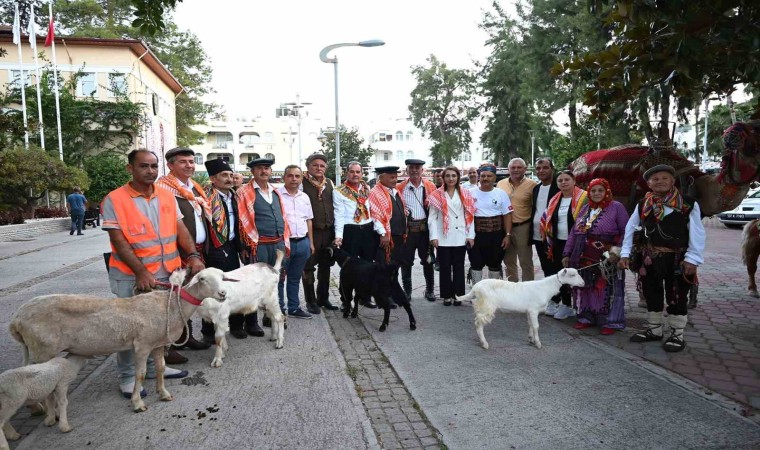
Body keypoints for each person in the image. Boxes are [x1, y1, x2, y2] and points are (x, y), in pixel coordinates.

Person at [101, 149, 195, 398]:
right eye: (144, 166)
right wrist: (141, 272)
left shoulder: (167, 196)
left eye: (154, 166)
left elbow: (180, 228)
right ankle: (129, 376)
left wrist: (194, 255)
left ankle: (154, 367)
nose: (150, 171)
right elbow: (119, 240)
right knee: (129, 329)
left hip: (166, 274)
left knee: (160, 326)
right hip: (132, 277)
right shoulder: (114, 199)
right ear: (130, 168)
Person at [619, 165, 705, 352]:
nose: (659, 181)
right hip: (649, 258)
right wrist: (625, 254)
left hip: (678, 259)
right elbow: (630, 228)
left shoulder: (688, 204)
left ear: (672, 181)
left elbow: (697, 233)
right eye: (655, 179)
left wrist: (693, 258)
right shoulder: (644, 203)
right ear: (649, 184)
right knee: (651, 292)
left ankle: (677, 334)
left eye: (664, 178)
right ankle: (654, 329)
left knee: (677, 294)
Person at [155, 147, 212, 361]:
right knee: (174, 298)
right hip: (176, 252)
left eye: (191, 161)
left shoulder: (194, 188)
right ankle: (168, 346)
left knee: (188, 296)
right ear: (170, 165)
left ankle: (186, 337)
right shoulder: (163, 188)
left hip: (196, 251)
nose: (189, 165)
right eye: (183, 162)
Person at [562, 178, 629, 334]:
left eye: (600, 190)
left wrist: (618, 251)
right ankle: (586, 318)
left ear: (607, 192)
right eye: (593, 191)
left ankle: (609, 322)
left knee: (605, 287)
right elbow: (574, 232)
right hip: (583, 255)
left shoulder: (616, 207)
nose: (597, 193)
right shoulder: (585, 209)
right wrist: (567, 252)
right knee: (584, 287)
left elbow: (626, 231)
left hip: (607, 256)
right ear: (589, 193)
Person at [237, 157, 291, 329]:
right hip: (257, 245)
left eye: (267, 168)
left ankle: (273, 315)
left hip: (277, 244)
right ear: (252, 172)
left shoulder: (275, 192)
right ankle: (251, 323)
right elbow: (240, 222)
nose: (264, 171)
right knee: (255, 283)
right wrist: (243, 247)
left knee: (277, 280)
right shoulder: (244, 192)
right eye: (259, 168)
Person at [199, 159, 246, 341]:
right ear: (213, 178)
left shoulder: (235, 196)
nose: (229, 179)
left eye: (230, 175)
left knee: (233, 287)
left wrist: (241, 248)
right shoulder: (206, 199)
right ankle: (208, 331)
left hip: (232, 247)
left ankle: (236, 325)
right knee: (212, 290)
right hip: (214, 249)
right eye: (224, 176)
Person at [540, 170, 587, 320]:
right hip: (558, 242)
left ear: (574, 181)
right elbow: (547, 218)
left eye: (567, 179)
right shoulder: (555, 199)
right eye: (560, 180)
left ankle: (579, 306)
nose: (563, 182)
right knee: (561, 273)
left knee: (576, 273)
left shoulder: (584, 197)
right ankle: (564, 304)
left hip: (577, 243)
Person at [428, 166, 476, 305]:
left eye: (453, 176)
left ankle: (458, 295)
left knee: (459, 267)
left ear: (458, 177)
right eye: (448, 176)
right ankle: (446, 295)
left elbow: (470, 215)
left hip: (460, 235)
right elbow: (432, 218)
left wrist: (471, 235)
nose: (451, 178)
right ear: (443, 178)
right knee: (444, 267)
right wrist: (433, 236)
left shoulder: (465, 193)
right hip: (443, 236)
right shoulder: (436, 195)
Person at [334, 161, 376, 308]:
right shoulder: (339, 191)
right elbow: (338, 215)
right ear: (347, 173)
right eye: (352, 171)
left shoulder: (366, 188)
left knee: (367, 265)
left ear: (362, 173)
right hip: (350, 230)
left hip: (367, 229)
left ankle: (365, 297)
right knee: (348, 267)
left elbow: (371, 210)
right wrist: (338, 236)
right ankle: (346, 300)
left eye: (358, 172)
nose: (355, 174)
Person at [301, 153, 339, 314]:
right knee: (308, 267)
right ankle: (310, 301)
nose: (318, 168)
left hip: (328, 232)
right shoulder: (301, 183)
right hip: (311, 232)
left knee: (326, 267)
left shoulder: (329, 182)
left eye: (322, 166)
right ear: (308, 166)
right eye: (315, 165)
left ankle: (323, 298)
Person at [397, 159, 437, 301]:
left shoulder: (430, 186)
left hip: (425, 231)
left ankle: (430, 290)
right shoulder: (400, 187)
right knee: (406, 262)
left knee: (428, 260)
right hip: (408, 231)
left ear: (422, 170)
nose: (414, 170)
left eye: (417, 168)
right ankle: (407, 291)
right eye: (411, 167)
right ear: (406, 170)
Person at [278, 165, 314, 319]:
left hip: (303, 243)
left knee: (295, 277)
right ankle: (279, 309)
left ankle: (294, 307)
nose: (294, 179)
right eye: (290, 176)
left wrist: (310, 243)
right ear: (284, 177)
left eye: (297, 176)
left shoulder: (304, 197)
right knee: (279, 278)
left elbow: (308, 220)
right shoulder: (276, 195)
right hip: (283, 244)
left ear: (301, 178)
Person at [469, 163, 513, 282]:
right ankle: (477, 293)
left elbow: (507, 215)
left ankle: (493, 293)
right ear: (479, 177)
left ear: (494, 178)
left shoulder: (501, 193)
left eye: (489, 176)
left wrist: (507, 235)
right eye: (483, 176)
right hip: (476, 235)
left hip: (496, 235)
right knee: (476, 264)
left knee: (494, 264)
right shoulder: (470, 193)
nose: (485, 178)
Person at [497, 158, 537, 282]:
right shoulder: (501, 184)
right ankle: (512, 289)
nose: (516, 170)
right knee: (508, 261)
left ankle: (528, 292)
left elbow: (535, 207)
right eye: (513, 167)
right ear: (508, 169)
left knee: (526, 262)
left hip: (523, 227)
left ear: (525, 169)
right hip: (504, 228)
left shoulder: (532, 185)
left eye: (519, 167)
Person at [369, 166, 407, 283]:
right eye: (391, 177)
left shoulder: (395, 192)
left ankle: (393, 293)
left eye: (395, 177)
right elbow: (375, 215)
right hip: (386, 238)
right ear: (381, 177)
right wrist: (383, 234)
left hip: (398, 236)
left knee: (394, 267)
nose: (395, 180)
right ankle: (384, 296)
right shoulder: (375, 193)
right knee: (383, 268)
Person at [531, 158, 559, 288]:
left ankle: (562, 300)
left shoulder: (559, 187)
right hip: (538, 235)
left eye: (545, 167)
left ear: (552, 169)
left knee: (557, 268)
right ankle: (553, 299)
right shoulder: (536, 188)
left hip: (554, 235)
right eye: (538, 168)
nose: (541, 171)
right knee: (545, 267)